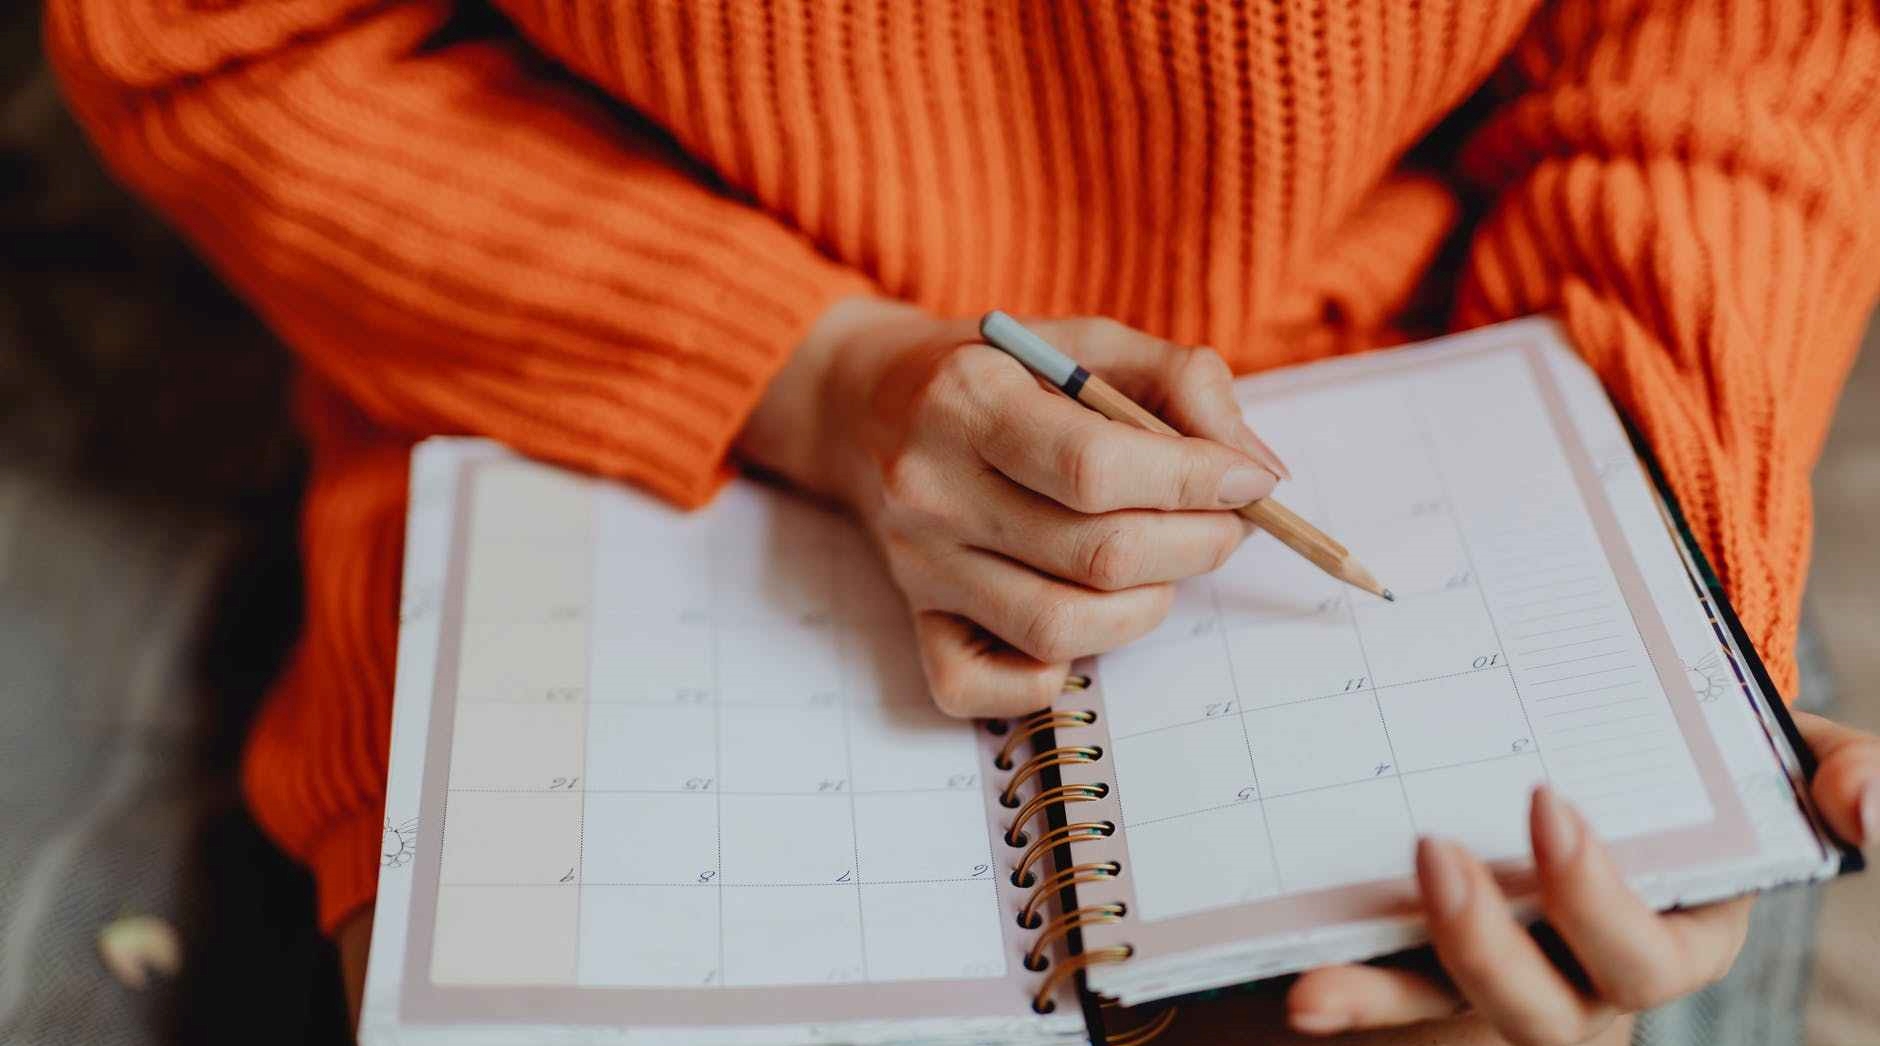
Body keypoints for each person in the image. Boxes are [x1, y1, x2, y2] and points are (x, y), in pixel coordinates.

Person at [45, 1, 1880, 1042]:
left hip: (1377, 374)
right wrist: (815, 373)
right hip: (583, 371)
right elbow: (227, 48)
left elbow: (1733, 74)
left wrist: (1657, 612)